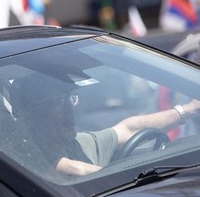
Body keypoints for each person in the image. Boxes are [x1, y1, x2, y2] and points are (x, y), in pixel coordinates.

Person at [11, 75, 200, 176]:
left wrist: (188, 110)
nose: (70, 108)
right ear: (30, 113)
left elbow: (128, 129)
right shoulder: (23, 160)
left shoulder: (78, 144)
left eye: (71, 98)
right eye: (58, 102)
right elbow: (66, 169)